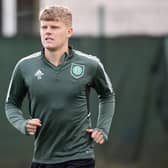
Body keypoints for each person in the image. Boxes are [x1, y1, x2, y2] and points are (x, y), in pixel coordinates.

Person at [5, 5, 115, 168]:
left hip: (80, 156)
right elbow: (11, 104)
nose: (48, 31)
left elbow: (107, 95)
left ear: (69, 31)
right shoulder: (25, 66)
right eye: (44, 27)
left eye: (54, 27)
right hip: (43, 158)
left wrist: (102, 128)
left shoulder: (90, 64)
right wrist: (23, 124)